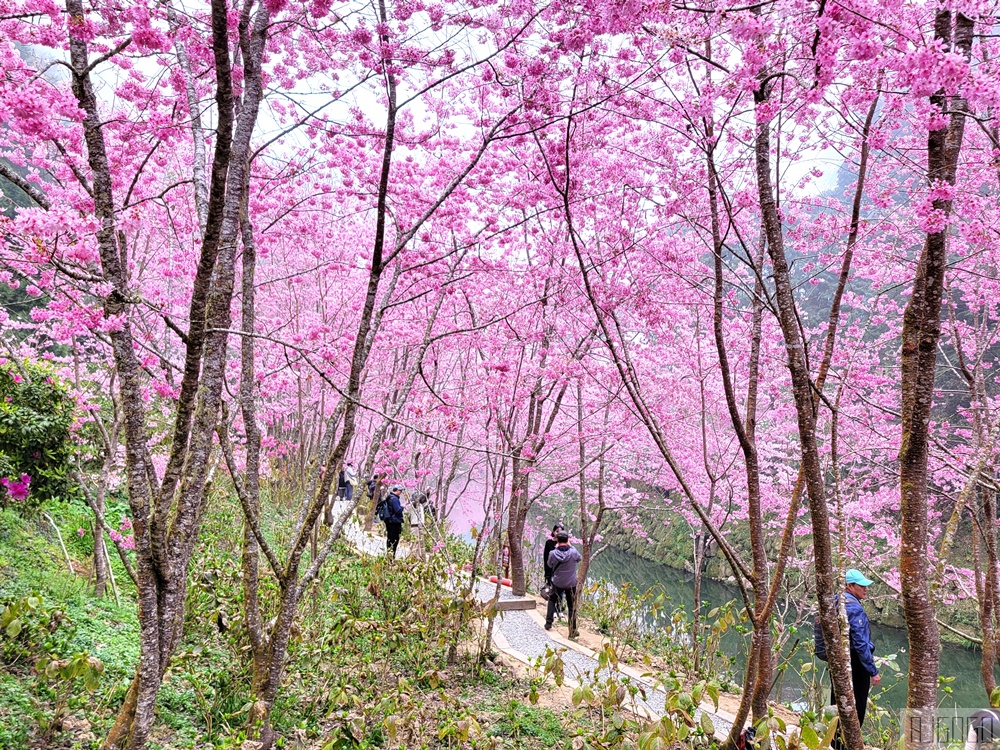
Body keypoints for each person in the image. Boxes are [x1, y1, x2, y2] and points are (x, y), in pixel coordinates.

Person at [815, 569, 880, 744]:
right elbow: (860, 644)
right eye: (862, 586)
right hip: (855, 664)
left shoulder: (834, 602)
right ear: (849, 586)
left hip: (837, 660)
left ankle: (834, 741)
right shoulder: (854, 609)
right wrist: (873, 670)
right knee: (856, 707)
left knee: (838, 702)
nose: (866, 589)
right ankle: (848, 743)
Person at [545, 531, 582, 638]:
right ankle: (572, 630)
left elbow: (549, 564)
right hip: (571, 583)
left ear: (557, 540)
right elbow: (579, 558)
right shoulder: (573, 552)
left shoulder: (553, 553)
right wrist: (570, 546)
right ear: (567, 540)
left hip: (557, 582)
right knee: (571, 606)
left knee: (552, 600)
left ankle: (548, 623)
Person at [383, 484, 405, 558]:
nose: (401, 492)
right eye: (400, 491)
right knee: (394, 539)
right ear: (397, 490)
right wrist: (402, 507)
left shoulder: (389, 497)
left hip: (389, 521)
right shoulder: (394, 499)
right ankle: (392, 555)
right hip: (394, 522)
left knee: (389, 538)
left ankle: (389, 554)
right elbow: (398, 510)